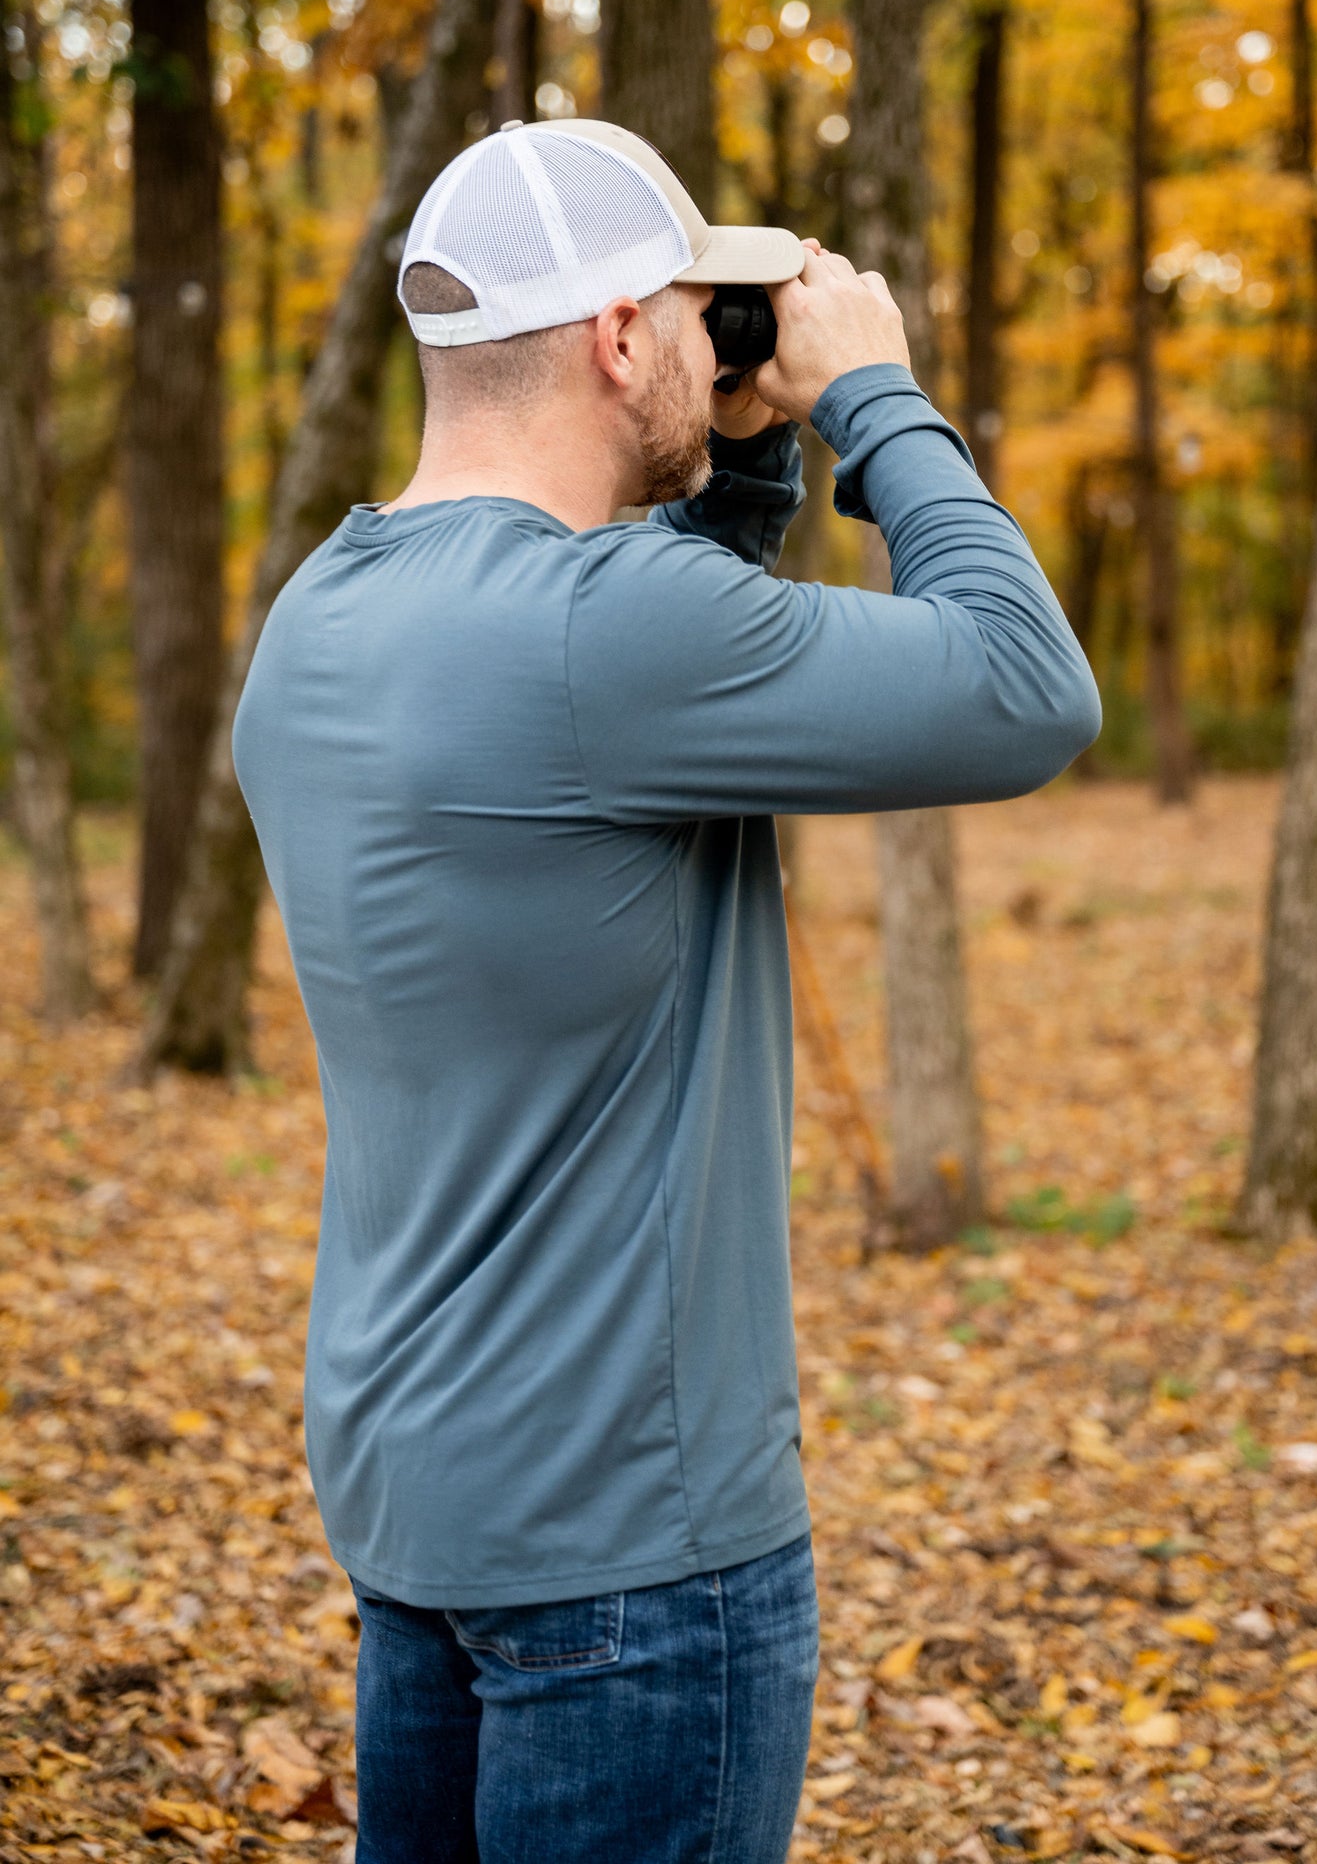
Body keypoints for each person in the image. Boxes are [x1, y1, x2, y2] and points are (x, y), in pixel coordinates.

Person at [233, 117, 1100, 1863]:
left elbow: (647, 704)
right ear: (624, 337)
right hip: (635, 1555)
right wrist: (874, 402)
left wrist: (739, 469)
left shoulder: (325, 610)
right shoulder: (602, 628)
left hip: (424, 1504)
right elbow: (1027, 691)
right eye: (693, 313)